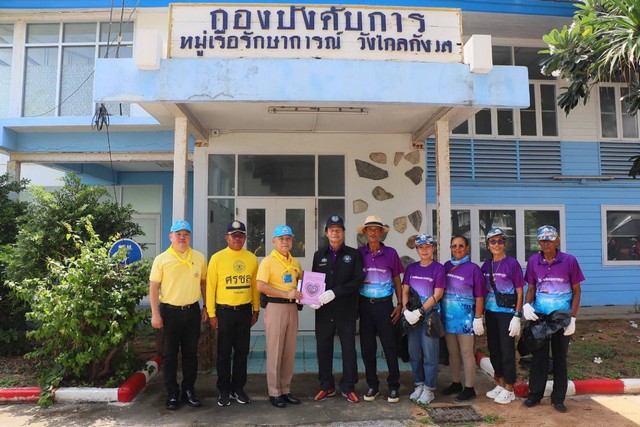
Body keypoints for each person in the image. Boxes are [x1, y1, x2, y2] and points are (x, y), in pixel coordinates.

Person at [523, 225, 584, 413]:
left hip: (561, 318)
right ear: (539, 242)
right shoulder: (534, 261)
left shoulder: (569, 261)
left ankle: (558, 399)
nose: (546, 244)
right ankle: (535, 395)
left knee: (559, 358)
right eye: (542, 240)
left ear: (557, 241)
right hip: (540, 317)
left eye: (549, 240)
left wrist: (573, 318)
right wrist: (526, 305)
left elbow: (577, 290)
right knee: (538, 357)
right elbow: (531, 288)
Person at [149, 220, 208, 410]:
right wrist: (155, 314)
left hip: (192, 311)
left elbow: (204, 283)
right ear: (171, 237)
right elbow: (153, 287)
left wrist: (206, 306)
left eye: (186, 234)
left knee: (191, 353)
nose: (182, 237)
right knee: (169, 355)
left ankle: (188, 390)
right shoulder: (161, 259)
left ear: (190, 237)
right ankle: (172, 392)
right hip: (170, 312)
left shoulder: (199, 257)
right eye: (178, 234)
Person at [206, 220, 259, 407]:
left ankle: (238, 388)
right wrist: (211, 314)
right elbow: (210, 287)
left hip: (244, 311)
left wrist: (256, 309)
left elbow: (255, 286)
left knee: (242, 352)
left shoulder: (251, 258)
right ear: (226, 238)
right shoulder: (217, 258)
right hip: (224, 312)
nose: (237, 238)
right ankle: (224, 390)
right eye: (233, 235)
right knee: (223, 353)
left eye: (240, 235)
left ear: (244, 238)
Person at [310, 215, 364, 404]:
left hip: (346, 310)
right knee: (323, 349)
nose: (335, 232)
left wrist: (335, 292)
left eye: (338, 229)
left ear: (343, 232)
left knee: (348, 349)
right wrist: (311, 298)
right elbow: (313, 282)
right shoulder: (319, 255)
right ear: (326, 233)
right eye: (331, 229)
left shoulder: (354, 255)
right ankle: (326, 386)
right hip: (324, 311)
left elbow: (357, 281)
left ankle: (348, 387)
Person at [357, 215, 404, 403]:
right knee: (367, 348)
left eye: (377, 229)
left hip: (386, 307)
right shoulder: (359, 254)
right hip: (365, 306)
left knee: (390, 346)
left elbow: (397, 280)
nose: (373, 232)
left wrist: (400, 304)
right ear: (365, 233)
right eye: (370, 229)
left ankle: (394, 386)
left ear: (381, 233)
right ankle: (373, 385)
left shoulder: (391, 253)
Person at [256, 224, 303, 409]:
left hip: (292, 308)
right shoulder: (268, 261)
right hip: (275, 307)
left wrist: (307, 294)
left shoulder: (295, 262)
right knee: (275, 350)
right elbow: (261, 286)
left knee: (289, 351)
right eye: (281, 239)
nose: (285, 242)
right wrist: (285, 294)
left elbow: (301, 283)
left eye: (288, 238)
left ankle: (285, 389)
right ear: (274, 241)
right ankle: (274, 392)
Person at [480, 228, 525, 405]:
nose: (497, 244)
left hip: (507, 314)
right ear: (488, 245)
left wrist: (517, 315)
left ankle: (509, 388)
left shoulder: (512, 264)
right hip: (490, 313)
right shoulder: (486, 265)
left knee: (507, 351)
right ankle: (500, 383)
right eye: (493, 241)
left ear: (504, 244)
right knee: (494, 350)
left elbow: (520, 292)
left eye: (500, 241)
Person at [401, 234, 446, 405]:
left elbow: (438, 294)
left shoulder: (438, 268)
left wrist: (420, 311)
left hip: (429, 317)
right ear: (417, 249)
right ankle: (419, 384)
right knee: (414, 353)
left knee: (429, 354)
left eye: (427, 247)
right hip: (412, 317)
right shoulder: (411, 268)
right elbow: (405, 290)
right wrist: (406, 311)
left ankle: (429, 388)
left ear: (433, 248)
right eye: (421, 247)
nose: (424, 250)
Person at [441, 235, 485, 402]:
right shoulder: (446, 266)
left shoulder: (473, 269)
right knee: (452, 351)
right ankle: (455, 383)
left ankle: (469, 387)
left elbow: (479, 296)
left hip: (465, 318)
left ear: (467, 248)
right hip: (448, 316)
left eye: (461, 246)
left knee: (466, 352)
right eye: (454, 246)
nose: (457, 249)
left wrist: (478, 317)